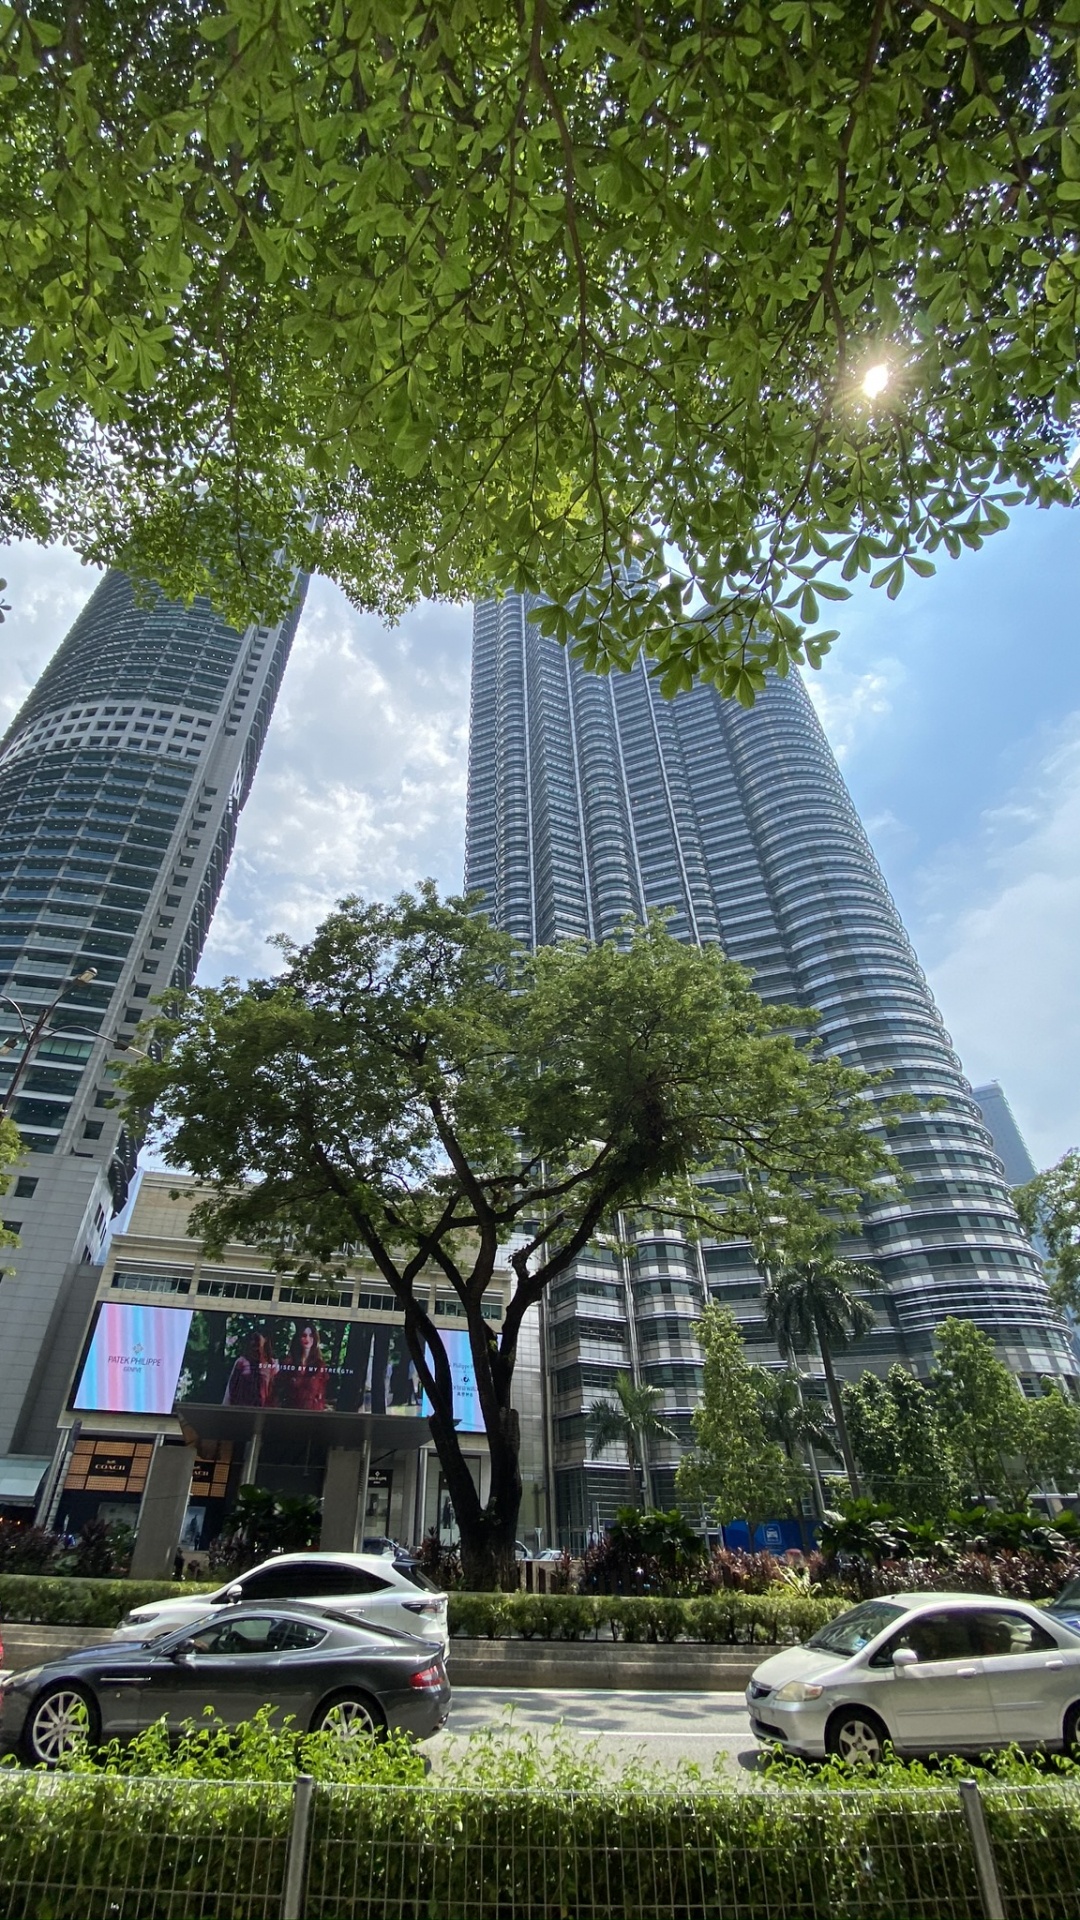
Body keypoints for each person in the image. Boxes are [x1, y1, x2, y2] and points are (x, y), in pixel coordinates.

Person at [274, 1323, 328, 1412]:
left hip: (312, 1413)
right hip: (290, 1412)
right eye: (304, 1335)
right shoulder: (289, 1363)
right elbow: (278, 1388)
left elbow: (321, 1395)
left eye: (311, 1336)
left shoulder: (319, 1365)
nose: (307, 1339)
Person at [223, 1329, 277, 1407]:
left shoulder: (272, 1364)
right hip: (243, 1408)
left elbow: (273, 1391)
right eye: (253, 1346)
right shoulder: (241, 1362)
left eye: (258, 1347)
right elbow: (231, 1389)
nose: (256, 1350)